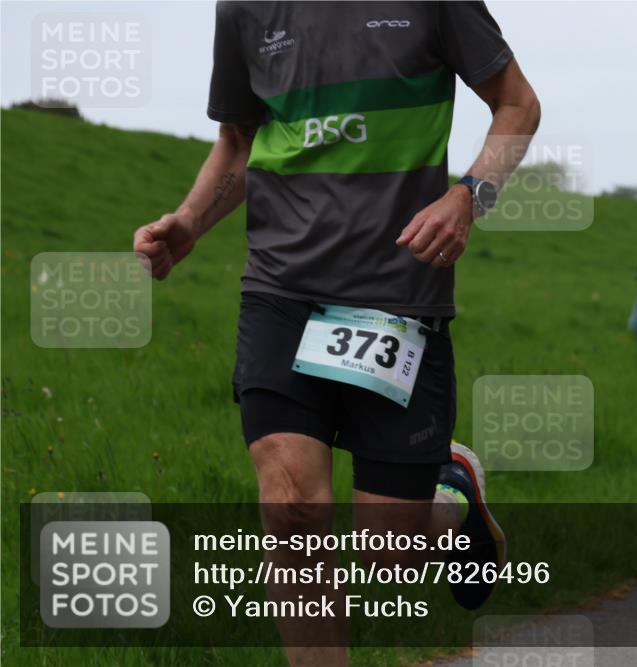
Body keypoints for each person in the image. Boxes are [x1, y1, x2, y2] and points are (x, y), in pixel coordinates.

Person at [132, 2, 540, 665]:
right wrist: (187, 222)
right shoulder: (243, 8)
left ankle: (452, 493)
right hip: (280, 289)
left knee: (389, 551)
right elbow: (240, 138)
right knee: (291, 507)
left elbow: (517, 105)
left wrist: (469, 196)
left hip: (397, 297)